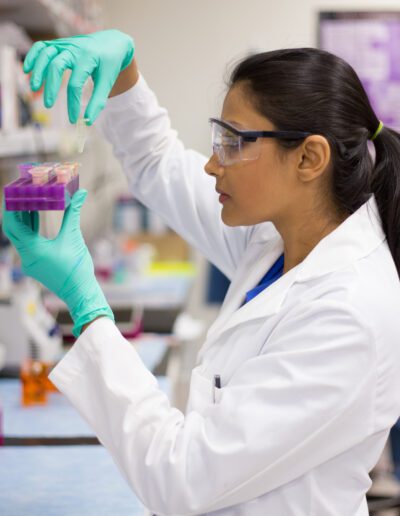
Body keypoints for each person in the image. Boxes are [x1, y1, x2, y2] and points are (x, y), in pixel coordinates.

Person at [2, 30, 400, 516]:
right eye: (219, 136)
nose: (213, 164)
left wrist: (87, 305)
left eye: (234, 142)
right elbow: (156, 162)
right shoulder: (281, 238)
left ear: (309, 158)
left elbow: (181, 479)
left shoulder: (350, 314)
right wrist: (124, 70)